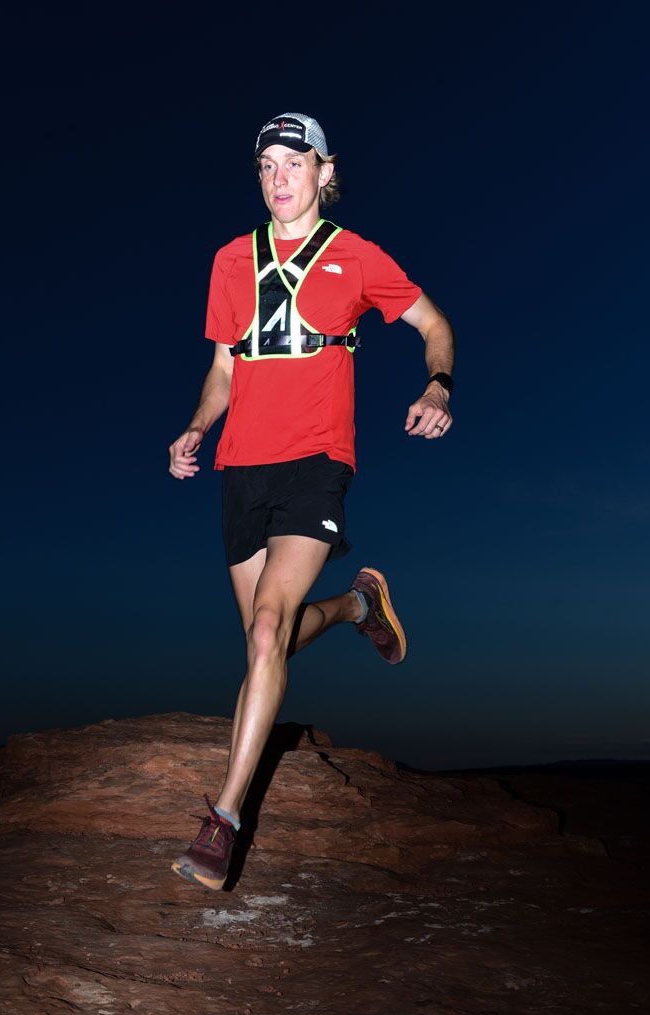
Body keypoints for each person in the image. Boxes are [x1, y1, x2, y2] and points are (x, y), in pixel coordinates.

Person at [167, 112, 455, 890]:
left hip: (316, 462)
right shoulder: (230, 259)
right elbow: (223, 368)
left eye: (293, 162)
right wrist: (194, 428)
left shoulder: (355, 255)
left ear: (325, 172)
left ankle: (223, 821)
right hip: (241, 468)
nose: (278, 177)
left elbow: (433, 323)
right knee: (269, 643)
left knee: (267, 629)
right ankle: (360, 606)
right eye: (266, 164)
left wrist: (437, 383)